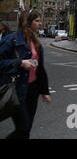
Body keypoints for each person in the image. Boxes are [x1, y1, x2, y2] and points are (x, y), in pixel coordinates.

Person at [0, 10, 51, 139]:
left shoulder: (37, 43)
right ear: (27, 23)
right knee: (23, 127)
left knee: (26, 129)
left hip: (32, 90)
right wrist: (20, 63)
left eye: (40, 20)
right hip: (17, 89)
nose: (41, 23)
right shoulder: (11, 40)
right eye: (37, 21)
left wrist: (44, 91)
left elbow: (40, 70)